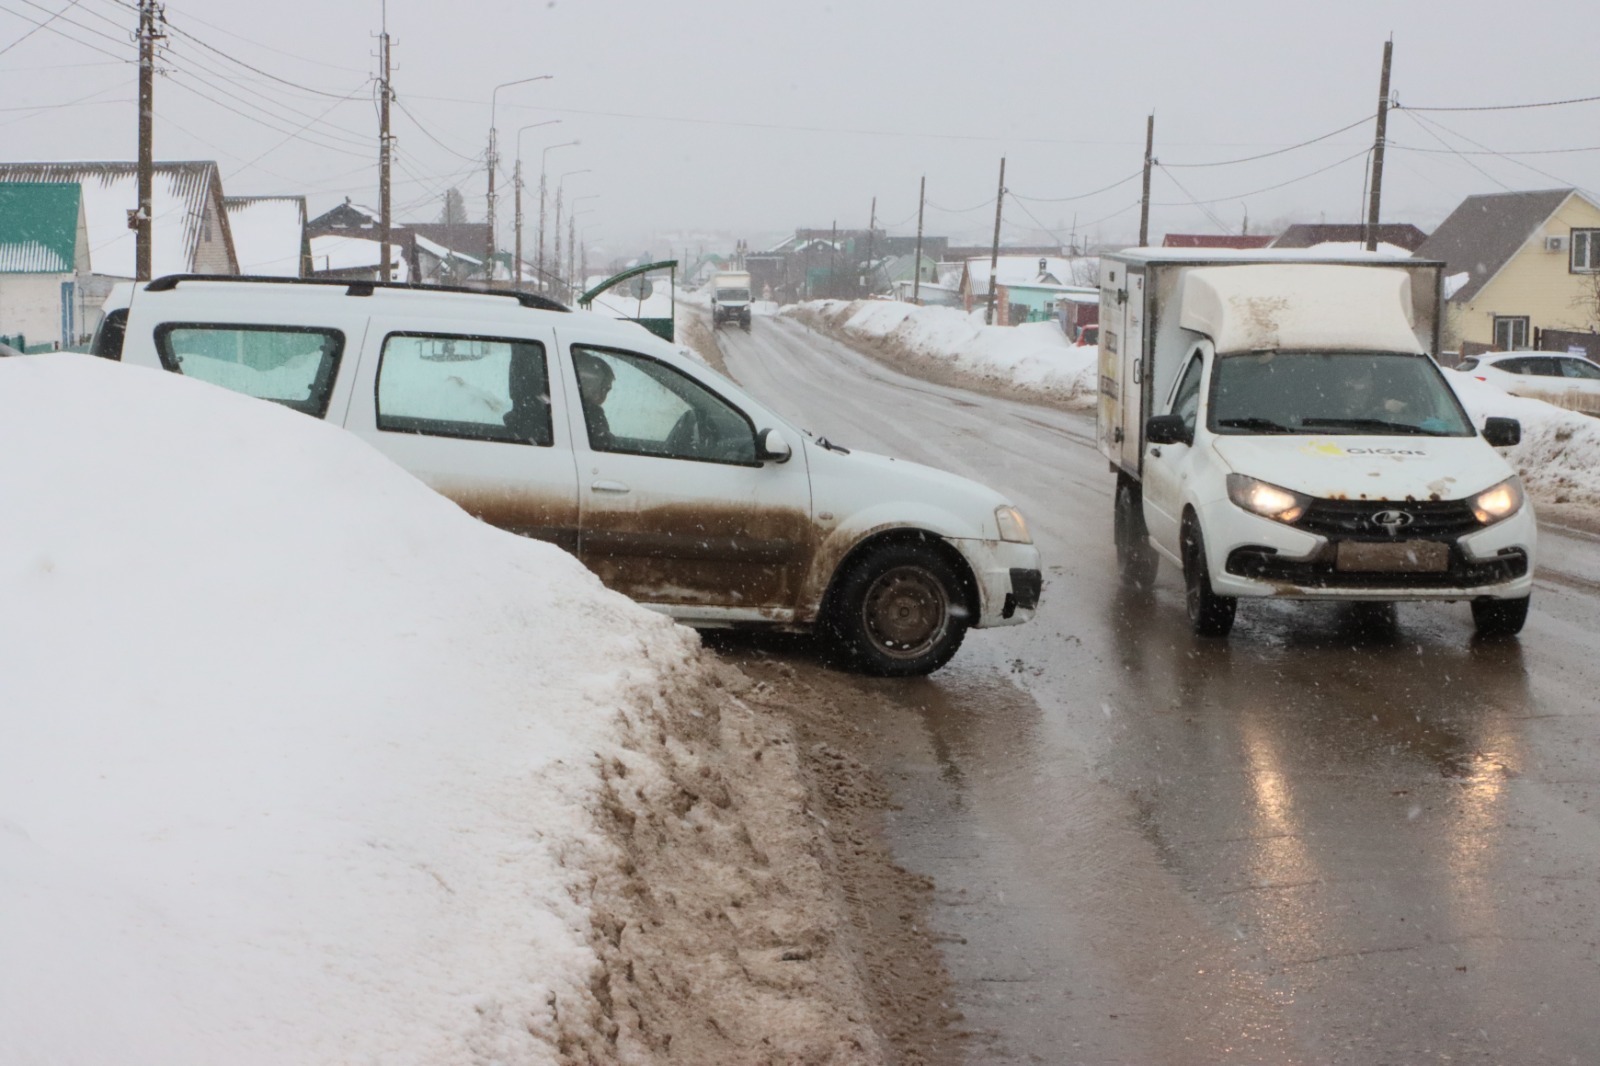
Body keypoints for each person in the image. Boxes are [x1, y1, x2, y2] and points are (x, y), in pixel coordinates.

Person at [574, 350, 615, 450]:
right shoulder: (592, 415)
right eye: (605, 389)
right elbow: (603, 444)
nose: (603, 395)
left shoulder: (567, 408)